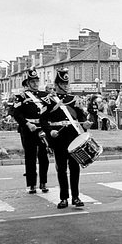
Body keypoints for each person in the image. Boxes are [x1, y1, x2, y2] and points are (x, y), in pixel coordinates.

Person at [39, 68, 92, 209]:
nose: (65, 85)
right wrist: (50, 132)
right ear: (56, 84)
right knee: (61, 169)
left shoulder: (74, 99)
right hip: (59, 138)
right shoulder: (49, 100)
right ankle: (63, 198)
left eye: (66, 83)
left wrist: (85, 124)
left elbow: (81, 117)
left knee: (74, 167)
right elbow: (43, 121)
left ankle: (76, 197)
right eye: (62, 83)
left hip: (73, 138)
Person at [12, 68, 50, 194]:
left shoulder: (45, 95)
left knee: (44, 156)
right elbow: (16, 113)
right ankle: (32, 184)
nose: (35, 84)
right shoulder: (21, 97)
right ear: (27, 83)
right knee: (30, 157)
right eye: (32, 81)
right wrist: (27, 124)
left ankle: (43, 183)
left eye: (36, 81)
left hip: (41, 129)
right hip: (28, 129)